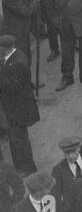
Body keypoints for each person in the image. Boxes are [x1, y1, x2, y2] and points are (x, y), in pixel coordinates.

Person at [0, 33, 38, 174]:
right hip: (13, 106)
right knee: (16, 139)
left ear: (5, 48)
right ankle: (22, 167)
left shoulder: (18, 63)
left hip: (18, 108)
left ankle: (27, 168)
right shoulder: (14, 57)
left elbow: (13, 87)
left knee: (19, 140)